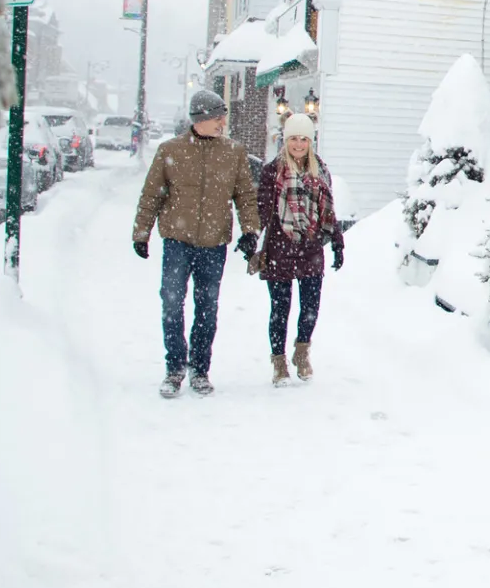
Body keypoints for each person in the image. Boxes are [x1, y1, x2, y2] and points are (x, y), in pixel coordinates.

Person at [132, 89, 261, 398]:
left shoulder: (234, 152)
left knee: (207, 308)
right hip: (177, 242)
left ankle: (200, 369)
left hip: (213, 244)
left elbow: (245, 195)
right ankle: (175, 367)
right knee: (172, 304)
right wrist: (141, 233)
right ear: (202, 119)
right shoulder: (170, 151)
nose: (222, 122)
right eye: (218, 117)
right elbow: (151, 195)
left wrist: (250, 230)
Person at [252, 113, 343, 385]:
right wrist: (251, 236)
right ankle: (278, 362)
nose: (299, 144)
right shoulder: (272, 171)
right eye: (294, 139)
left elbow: (329, 210)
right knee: (280, 309)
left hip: (311, 248)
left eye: (304, 139)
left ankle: (301, 353)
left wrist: (337, 242)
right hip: (280, 247)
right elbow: (263, 208)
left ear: (311, 141)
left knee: (310, 307)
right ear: (286, 140)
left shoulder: (321, 170)